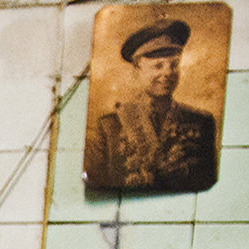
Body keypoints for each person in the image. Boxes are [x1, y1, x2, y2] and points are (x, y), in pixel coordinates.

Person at [85, 18, 218, 192]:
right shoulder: (109, 126)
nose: (167, 73)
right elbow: (96, 186)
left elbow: (207, 185)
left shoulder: (202, 123)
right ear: (136, 72)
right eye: (157, 66)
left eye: (174, 65)